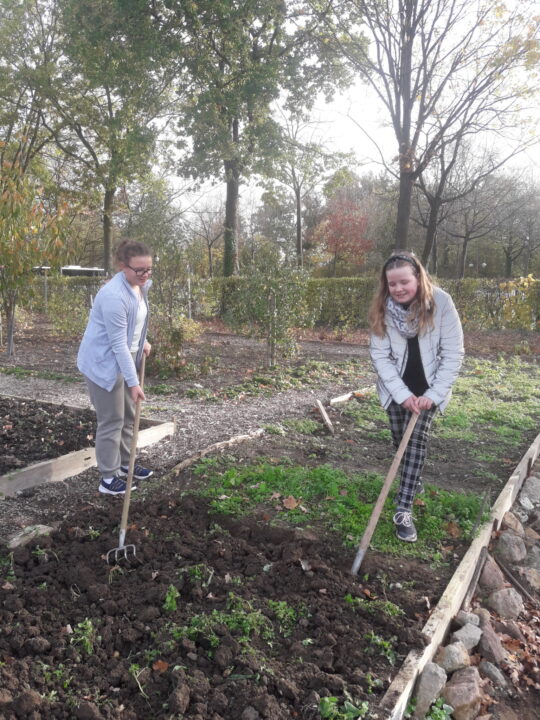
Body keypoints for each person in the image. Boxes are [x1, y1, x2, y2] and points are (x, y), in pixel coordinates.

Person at [368, 251, 464, 542]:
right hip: (396, 390)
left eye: (404, 282)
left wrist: (433, 395)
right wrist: (402, 395)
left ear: (418, 278)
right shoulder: (382, 310)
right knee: (401, 442)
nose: (398, 289)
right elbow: (380, 356)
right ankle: (415, 479)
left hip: (428, 392)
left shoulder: (442, 304)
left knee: (415, 443)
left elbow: (453, 354)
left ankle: (403, 509)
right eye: (392, 284)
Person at [77, 239, 154, 496]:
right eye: (139, 270)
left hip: (127, 358)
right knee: (112, 420)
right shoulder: (113, 295)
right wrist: (134, 383)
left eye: (149, 269)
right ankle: (108, 477)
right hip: (104, 363)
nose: (145, 275)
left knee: (130, 417)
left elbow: (135, 322)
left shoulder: (139, 287)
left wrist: (142, 342)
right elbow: (118, 345)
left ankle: (125, 464)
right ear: (123, 266)